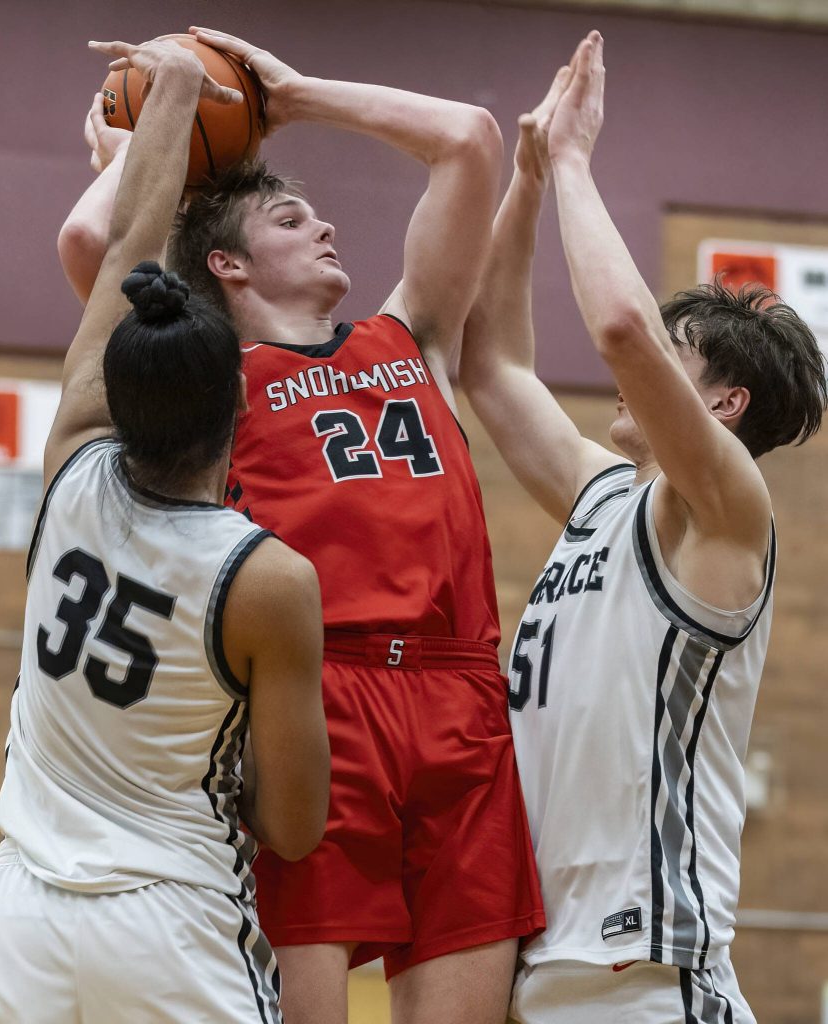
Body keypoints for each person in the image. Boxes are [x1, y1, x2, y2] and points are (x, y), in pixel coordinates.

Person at [61, 25, 544, 1024]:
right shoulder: (202, 380)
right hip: (314, 699)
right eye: (292, 217)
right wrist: (149, 137)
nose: (325, 228)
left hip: (461, 696)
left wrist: (293, 94)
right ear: (227, 264)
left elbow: (468, 141)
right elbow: (89, 250)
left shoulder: (410, 335)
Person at [0, 37, 329, 1024]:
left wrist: (166, 97)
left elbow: (124, 256)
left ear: (116, 393)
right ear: (238, 414)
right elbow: (293, 825)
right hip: (174, 925)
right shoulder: (268, 577)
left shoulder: (69, 464)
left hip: (23, 917)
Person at [460, 32, 827, 1024]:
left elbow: (618, 328)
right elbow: (486, 362)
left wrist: (576, 160)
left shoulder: (728, 510)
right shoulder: (599, 497)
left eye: (678, 356)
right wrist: (529, 180)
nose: (642, 364)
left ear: (723, 405)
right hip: (542, 975)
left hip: (655, 981)